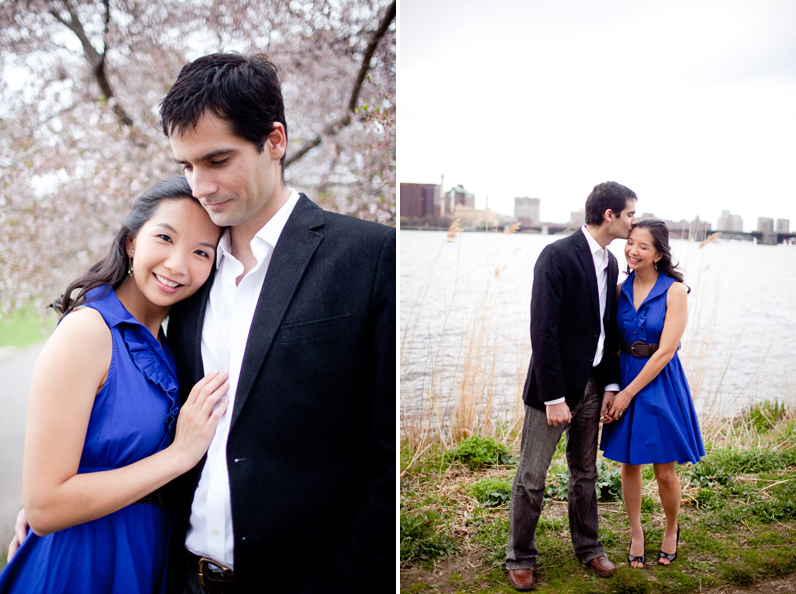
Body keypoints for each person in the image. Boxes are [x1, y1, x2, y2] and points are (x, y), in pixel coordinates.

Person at [8, 52, 395, 593]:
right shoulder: (186, 284)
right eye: (187, 166)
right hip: (173, 575)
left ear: (275, 141)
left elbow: (387, 456)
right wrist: (47, 501)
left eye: (217, 160)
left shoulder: (370, 258)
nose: (201, 185)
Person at [0, 177, 227, 593]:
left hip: (144, 555)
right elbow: (46, 505)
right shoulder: (89, 331)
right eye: (164, 237)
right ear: (130, 242)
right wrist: (179, 455)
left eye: (201, 252)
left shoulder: (172, 345)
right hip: (85, 562)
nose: (177, 265)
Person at [506, 181, 637, 592]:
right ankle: (520, 556)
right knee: (532, 476)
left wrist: (612, 384)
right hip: (554, 391)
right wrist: (554, 398)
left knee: (585, 473)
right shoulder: (557, 255)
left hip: (596, 384)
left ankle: (588, 547)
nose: (634, 223)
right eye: (630, 214)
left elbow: (608, 331)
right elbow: (541, 332)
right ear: (609, 215)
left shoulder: (612, 264)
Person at [600, 218, 704, 568]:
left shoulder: (674, 291)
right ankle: (636, 533)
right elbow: (612, 345)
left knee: (664, 470)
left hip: (659, 381)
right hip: (625, 373)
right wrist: (612, 390)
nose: (633, 251)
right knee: (629, 463)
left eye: (644, 246)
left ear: (659, 252)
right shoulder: (618, 290)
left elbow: (665, 351)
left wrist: (628, 393)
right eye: (631, 242)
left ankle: (672, 528)